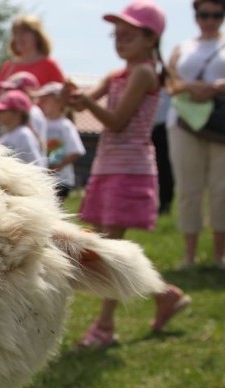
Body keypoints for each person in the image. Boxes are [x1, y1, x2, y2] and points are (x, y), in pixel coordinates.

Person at [67, 0, 191, 349]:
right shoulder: (117, 74)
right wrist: (71, 96)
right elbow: (83, 102)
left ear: (152, 39)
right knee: (111, 247)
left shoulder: (143, 73)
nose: (120, 40)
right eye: (117, 34)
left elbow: (117, 121)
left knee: (111, 249)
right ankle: (165, 294)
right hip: (108, 166)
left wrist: (86, 104)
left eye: (129, 34)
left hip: (130, 168)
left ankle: (105, 326)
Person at [166, 0, 225, 270]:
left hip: (221, 126)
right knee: (189, 189)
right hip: (184, 123)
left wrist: (214, 87)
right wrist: (190, 86)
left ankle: (219, 256)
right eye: (204, 14)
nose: (210, 20)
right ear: (196, 16)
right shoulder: (183, 48)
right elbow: (169, 83)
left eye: (216, 15)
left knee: (221, 190)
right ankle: (188, 256)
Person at [0, 14, 65, 103]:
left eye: (24, 32)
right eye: (16, 33)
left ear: (37, 36)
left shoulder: (49, 65)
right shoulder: (8, 67)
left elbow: (61, 99)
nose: (19, 37)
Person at [35, 82, 86, 201]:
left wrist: (56, 167)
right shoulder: (42, 123)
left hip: (61, 179)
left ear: (58, 101)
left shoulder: (66, 125)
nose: (42, 104)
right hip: (44, 177)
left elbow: (76, 151)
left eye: (46, 100)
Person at [0, 71, 49, 163]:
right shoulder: (32, 111)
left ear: (27, 92)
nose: (8, 93)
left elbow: (32, 153)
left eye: (13, 90)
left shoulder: (32, 112)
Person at [0, 89, 43, 164]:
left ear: (17, 112)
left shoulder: (23, 135)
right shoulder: (6, 137)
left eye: (2, 110)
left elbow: (37, 166)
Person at [152, 89, 174, 215]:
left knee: (165, 169)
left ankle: (165, 204)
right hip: (146, 129)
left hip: (165, 129)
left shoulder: (171, 87)